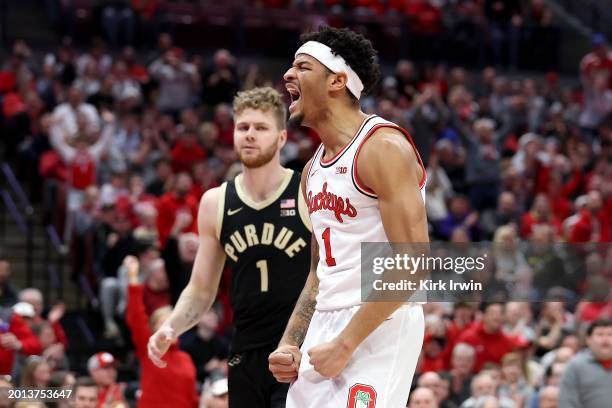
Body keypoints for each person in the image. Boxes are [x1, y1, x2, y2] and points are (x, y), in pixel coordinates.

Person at [268, 27, 428, 407]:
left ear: (338, 81)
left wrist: (348, 341)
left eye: (302, 67)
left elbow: (415, 261)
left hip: (380, 321)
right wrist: (291, 341)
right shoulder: (312, 170)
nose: (288, 75)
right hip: (326, 319)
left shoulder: (382, 148)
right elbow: (317, 272)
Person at [147, 86, 311, 407]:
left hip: (298, 347)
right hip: (245, 349)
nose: (249, 135)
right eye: (243, 127)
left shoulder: (306, 189)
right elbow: (201, 289)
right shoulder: (215, 202)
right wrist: (171, 326)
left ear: (281, 138)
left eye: (261, 128)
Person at [559, 319, 612, 408]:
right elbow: (567, 403)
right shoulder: (575, 365)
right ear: (588, 339)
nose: (605, 339)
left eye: (610, 334)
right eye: (600, 334)